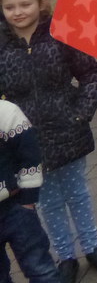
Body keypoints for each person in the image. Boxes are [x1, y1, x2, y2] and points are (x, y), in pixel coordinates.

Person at [0, 0, 97, 283]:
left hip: (67, 128)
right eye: (9, 6)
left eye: (24, 4)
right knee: (46, 199)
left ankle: (92, 245)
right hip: (23, 139)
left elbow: (90, 74)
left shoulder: (60, 33)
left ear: (40, 4)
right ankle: (65, 255)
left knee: (76, 192)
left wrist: (80, 114)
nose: (17, 12)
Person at [0, 98, 61, 283]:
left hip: (15, 207)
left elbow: (30, 156)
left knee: (40, 267)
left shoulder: (6, 112)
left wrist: (28, 198)